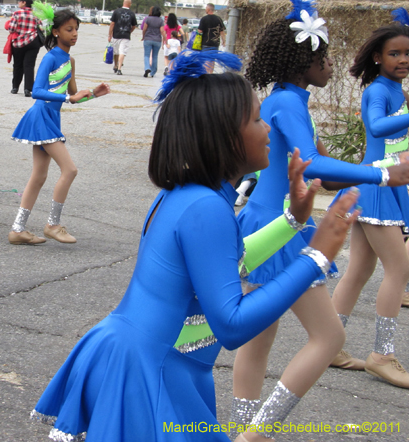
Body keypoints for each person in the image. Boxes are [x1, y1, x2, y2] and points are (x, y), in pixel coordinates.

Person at [31, 50, 360, 442]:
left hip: (156, 359)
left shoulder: (196, 196)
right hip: (153, 371)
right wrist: (315, 257)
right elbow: (232, 324)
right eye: (256, 119)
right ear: (222, 137)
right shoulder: (206, 207)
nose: (268, 128)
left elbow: (226, 264)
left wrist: (293, 222)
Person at [230, 0, 409, 436]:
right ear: (303, 61)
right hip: (279, 230)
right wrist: (383, 176)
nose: (331, 64)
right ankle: (258, 431)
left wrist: (385, 166)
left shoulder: (292, 102)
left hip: (272, 223)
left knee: (258, 341)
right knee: (328, 337)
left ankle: (247, 430)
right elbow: (313, 162)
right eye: (325, 57)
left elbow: (325, 176)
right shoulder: (287, 102)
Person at [330, 16, 409, 388]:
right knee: (399, 269)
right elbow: (376, 128)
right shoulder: (379, 91)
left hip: (382, 184)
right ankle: (383, 354)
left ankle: (329, 343)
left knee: (359, 270)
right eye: (395, 53)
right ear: (377, 57)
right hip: (377, 185)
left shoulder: (397, 90)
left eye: (408, 53)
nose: (403, 60)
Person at [9, 5, 109, 245]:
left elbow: (73, 94)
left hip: (51, 118)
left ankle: (17, 229)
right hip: (41, 116)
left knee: (39, 176)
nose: (74, 33)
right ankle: (53, 225)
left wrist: (94, 94)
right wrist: (67, 98)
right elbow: (38, 91)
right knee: (70, 170)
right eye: (69, 29)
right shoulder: (50, 57)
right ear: (55, 32)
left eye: (76, 29)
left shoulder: (69, 60)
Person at [5, 0, 41, 97]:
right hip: (33, 41)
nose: (18, 3)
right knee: (29, 65)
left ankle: (15, 87)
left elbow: (11, 29)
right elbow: (42, 27)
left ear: (24, 2)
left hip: (19, 43)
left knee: (18, 65)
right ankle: (28, 89)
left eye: (20, 1)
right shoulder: (36, 14)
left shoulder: (16, 13)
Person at [108, 0, 137, 75]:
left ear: (123, 3)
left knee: (116, 51)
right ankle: (119, 68)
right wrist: (129, 31)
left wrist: (110, 34)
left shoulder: (116, 12)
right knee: (122, 51)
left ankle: (115, 65)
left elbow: (112, 24)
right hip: (126, 35)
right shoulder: (131, 14)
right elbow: (134, 26)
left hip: (116, 34)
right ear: (130, 4)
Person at [198, 3, 226, 73]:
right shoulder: (219, 19)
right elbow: (222, 32)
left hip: (205, 43)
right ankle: (210, 74)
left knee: (205, 59)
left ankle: (206, 75)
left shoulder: (204, 19)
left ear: (208, 9)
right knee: (212, 60)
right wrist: (224, 41)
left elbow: (200, 31)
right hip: (215, 43)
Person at [141, 5, 165, 78]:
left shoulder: (148, 19)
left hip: (148, 38)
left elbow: (144, 29)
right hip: (157, 40)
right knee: (155, 56)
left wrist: (143, 36)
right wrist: (165, 39)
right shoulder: (161, 20)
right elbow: (162, 31)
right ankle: (153, 72)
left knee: (146, 55)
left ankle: (147, 67)